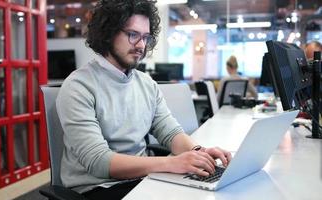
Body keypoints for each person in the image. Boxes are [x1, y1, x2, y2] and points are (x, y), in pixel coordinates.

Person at [56, 0, 231, 199]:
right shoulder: (79, 86)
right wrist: (171, 163)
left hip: (142, 179)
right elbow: (99, 163)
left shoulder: (146, 84)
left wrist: (200, 152)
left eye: (146, 37)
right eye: (133, 35)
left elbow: (170, 132)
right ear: (108, 32)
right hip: (98, 188)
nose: (141, 45)